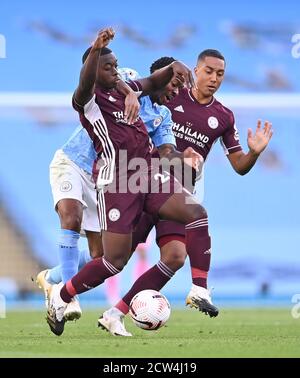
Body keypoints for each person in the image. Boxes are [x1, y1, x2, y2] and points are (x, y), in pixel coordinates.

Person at [46, 27, 212, 337]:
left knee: (196, 213)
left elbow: (151, 82)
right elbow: (85, 82)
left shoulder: (132, 92)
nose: (115, 71)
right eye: (107, 67)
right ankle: (62, 294)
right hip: (117, 179)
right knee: (113, 261)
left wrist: (173, 68)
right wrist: (95, 48)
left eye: (115, 65)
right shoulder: (88, 100)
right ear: (94, 71)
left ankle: (200, 289)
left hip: (146, 171)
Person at [100, 51, 273, 336]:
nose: (214, 78)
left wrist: (254, 153)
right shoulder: (171, 95)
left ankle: (118, 312)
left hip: (178, 193)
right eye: (208, 71)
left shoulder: (224, 117)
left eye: (220, 74)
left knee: (175, 256)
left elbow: (239, 166)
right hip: (143, 185)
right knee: (113, 257)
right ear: (196, 70)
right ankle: (61, 280)